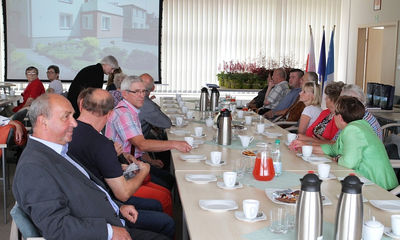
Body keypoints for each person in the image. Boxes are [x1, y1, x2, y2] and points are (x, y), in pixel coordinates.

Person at [12, 93, 168, 240]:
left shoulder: (58, 150)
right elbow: (55, 227)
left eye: (73, 116)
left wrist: (118, 208)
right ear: (43, 122)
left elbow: (86, 189)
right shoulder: (33, 167)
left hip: (107, 218)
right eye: (66, 117)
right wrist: (108, 231)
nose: (74, 123)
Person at [69, 88, 174, 238]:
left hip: (82, 202)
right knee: (166, 221)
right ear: (110, 113)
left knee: (156, 205)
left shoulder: (68, 133)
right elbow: (123, 194)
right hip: (103, 209)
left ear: (81, 105)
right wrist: (144, 170)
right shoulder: (101, 144)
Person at [105, 76, 191, 190]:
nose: (142, 96)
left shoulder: (132, 111)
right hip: (124, 167)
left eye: (143, 91)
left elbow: (135, 146)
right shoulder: (124, 114)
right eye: (136, 92)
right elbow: (141, 144)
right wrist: (175, 144)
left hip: (134, 161)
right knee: (165, 189)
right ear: (125, 94)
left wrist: (150, 160)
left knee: (169, 179)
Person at [299, 96, 398, 190]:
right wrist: (306, 146)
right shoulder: (358, 125)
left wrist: (338, 158)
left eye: (335, 114)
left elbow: (350, 162)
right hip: (367, 182)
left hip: (379, 187)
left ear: (340, 117)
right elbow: (334, 149)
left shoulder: (353, 129)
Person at [139, 73, 172, 170]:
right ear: (153, 88)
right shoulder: (146, 104)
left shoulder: (129, 100)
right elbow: (167, 124)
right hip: (135, 157)